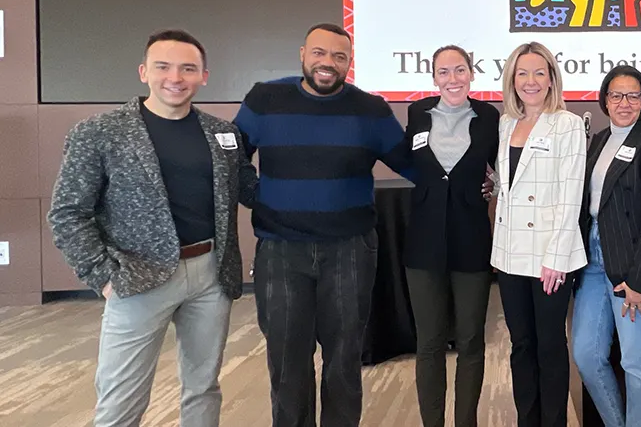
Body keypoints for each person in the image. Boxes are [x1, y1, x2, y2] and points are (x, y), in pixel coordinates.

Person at [47, 29, 257, 427]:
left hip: (211, 275)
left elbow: (249, 190)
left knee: (203, 387)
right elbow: (67, 213)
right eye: (163, 66)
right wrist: (103, 276)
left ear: (203, 76)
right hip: (135, 278)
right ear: (144, 72)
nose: (175, 77)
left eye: (187, 68)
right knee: (121, 402)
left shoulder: (223, 133)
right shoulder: (100, 132)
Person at [234, 23, 415, 427]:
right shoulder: (265, 98)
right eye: (319, 53)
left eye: (339, 57)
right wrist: (256, 196)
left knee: (344, 359)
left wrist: (476, 176)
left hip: (349, 250)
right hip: (281, 251)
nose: (327, 63)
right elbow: (231, 161)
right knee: (286, 360)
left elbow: (414, 165)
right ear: (302, 53)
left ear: (349, 63)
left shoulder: (371, 109)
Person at [572, 65, 641, 427]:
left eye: (634, 95)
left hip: (635, 268)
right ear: (604, 100)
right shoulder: (599, 140)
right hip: (594, 262)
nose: (625, 103)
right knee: (586, 354)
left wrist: (639, 280)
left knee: (637, 364)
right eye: (616, 95)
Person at [403, 45, 501, 427]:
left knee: (471, 342)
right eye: (444, 72)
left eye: (460, 70)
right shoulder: (417, 114)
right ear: (433, 77)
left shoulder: (489, 117)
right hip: (423, 243)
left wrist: (492, 184)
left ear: (472, 74)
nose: (453, 79)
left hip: (471, 239)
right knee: (428, 343)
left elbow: (501, 166)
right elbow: (411, 162)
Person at [491, 41, 588, 427]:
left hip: (549, 256)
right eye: (522, 73)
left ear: (551, 80)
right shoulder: (505, 123)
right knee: (520, 345)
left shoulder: (567, 124)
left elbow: (571, 196)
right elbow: (508, 187)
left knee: (550, 345)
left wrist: (556, 259)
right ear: (512, 80)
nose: (530, 81)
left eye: (539, 73)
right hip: (510, 252)